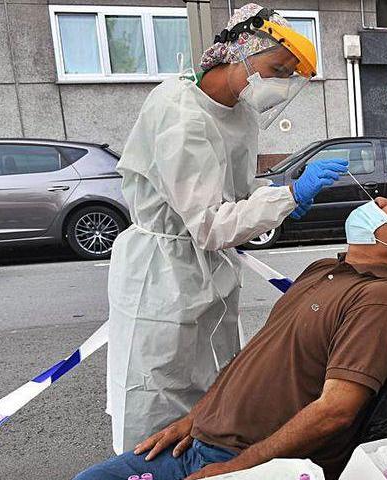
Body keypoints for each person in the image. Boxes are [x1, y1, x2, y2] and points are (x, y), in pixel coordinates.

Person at [70, 197, 387, 480]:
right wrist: (195, 416)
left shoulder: (380, 301)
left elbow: (336, 410)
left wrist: (235, 471)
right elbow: (255, 354)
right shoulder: (324, 269)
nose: (378, 199)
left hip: (246, 463)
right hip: (203, 439)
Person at [107, 4, 349, 455]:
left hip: (209, 274)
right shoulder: (179, 113)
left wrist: (275, 195)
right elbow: (209, 223)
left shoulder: (238, 113)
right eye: (276, 69)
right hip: (162, 276)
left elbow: (230, 196)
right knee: (158, 395)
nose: (279, 85)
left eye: (288, 78)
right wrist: (286, 198)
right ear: (238, 52)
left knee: (214, 393)